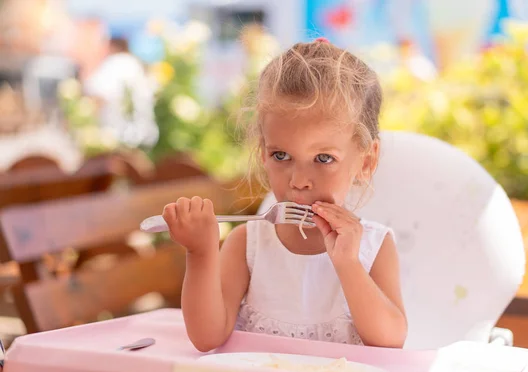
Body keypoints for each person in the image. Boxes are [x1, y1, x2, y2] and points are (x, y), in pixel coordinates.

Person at [163, 38, 407, 351]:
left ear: (367, 160)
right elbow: (206, 337)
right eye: (281, 156)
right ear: (263, 153)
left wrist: (348, 263)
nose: (299, 181)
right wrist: (200, 253)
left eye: (323, 159)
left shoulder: (374, 247)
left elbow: (391, 340)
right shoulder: (247, 245)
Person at [84, 37, 158, 148]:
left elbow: (96, 93)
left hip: (116, 135)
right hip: (143, 135)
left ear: (112, 46)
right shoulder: (136, 64)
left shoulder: (113, 63)